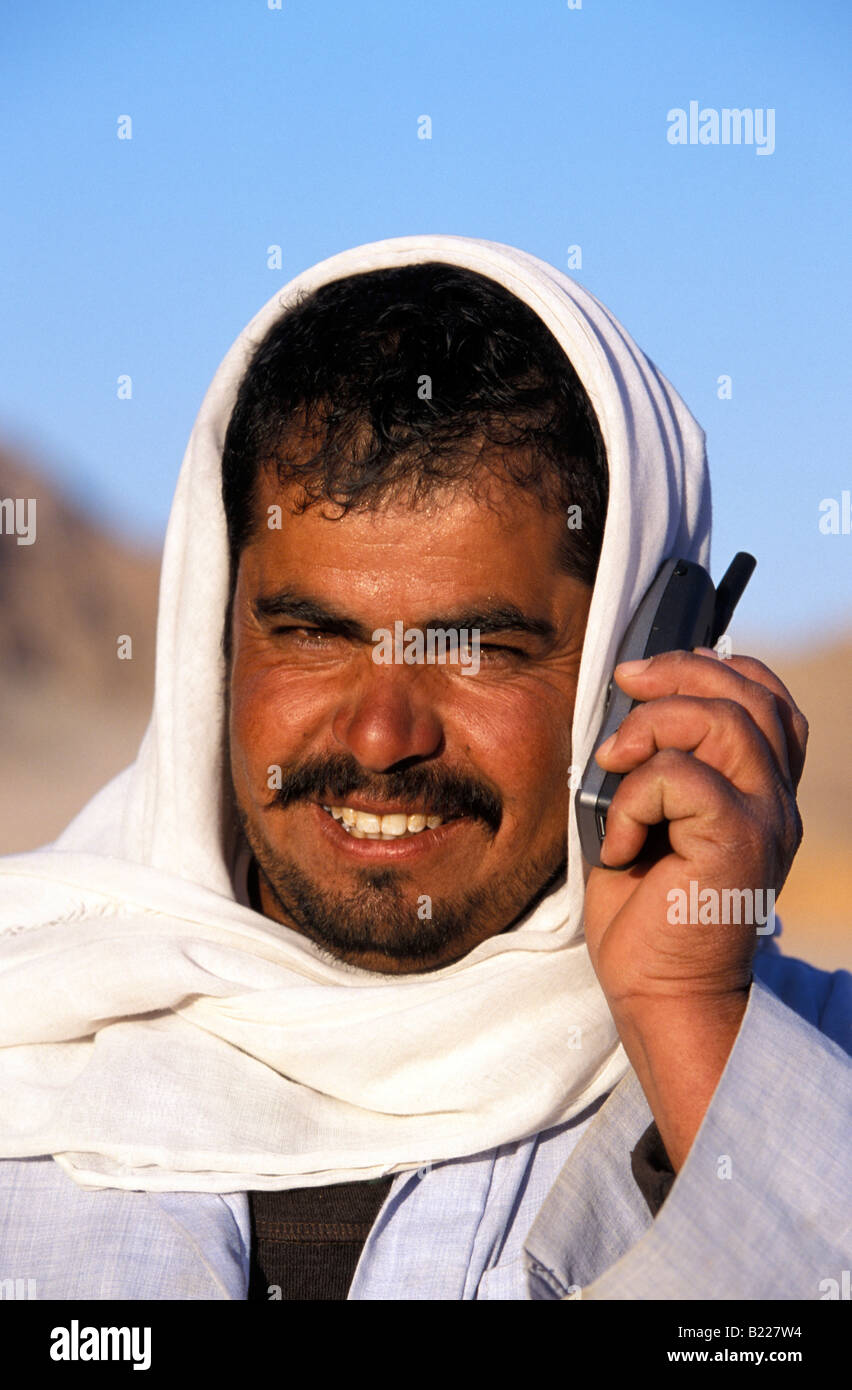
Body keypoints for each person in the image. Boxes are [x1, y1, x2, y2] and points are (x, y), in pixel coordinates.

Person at [0, 235, 848, 1302]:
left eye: (479, 648)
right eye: (312, 634)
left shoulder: (807, 1064)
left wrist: (693, 1032)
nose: (378, 737)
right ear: (211, 641)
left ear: (639, 667)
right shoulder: (23, 1030)